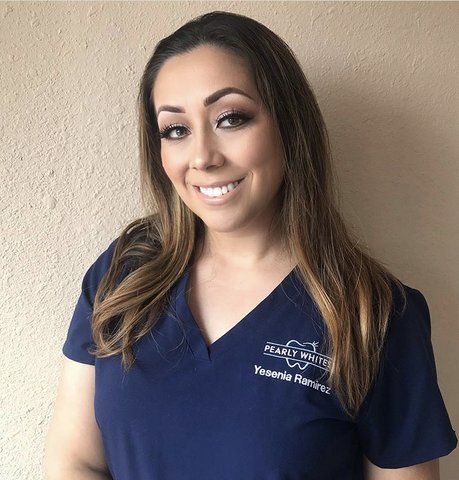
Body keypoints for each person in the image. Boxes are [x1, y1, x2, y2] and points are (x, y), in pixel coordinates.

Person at [45, 11, 457, 480]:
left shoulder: (374, 313)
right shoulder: (125, 272)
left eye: (230, 118)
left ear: (288, 125)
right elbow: (74, 461)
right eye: (175, 130)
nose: (202, 156)